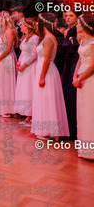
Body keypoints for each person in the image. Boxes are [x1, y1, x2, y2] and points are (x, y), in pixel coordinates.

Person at [32, 13, 69, 140]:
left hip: (47, 71)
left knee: (48, 100)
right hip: (42, 69)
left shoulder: (48, 38)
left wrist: (42, 77)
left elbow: (47, 59)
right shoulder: (46, 37)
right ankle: (48, 130)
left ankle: (51, 131)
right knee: (44, 100)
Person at [74, 14, 94, 159]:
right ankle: (83, 148)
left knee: (90, 112)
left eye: (79, 24)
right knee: (81, 112)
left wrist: (80, 78)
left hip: (90, 79)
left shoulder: (93, 42)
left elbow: (92, 66)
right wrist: (75, 76)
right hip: (80, 79)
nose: (77, 26)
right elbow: (80, 60)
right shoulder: (82, 41)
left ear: (85, 25)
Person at [15, 18, 39, 126]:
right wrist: (19, 62)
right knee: (24, 89)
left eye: (22, 25)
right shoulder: (25, 38)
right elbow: (23, 52)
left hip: (30, 66)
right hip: (23, 65)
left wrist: (24, 65)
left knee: (30, 89)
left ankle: (32, 116)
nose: (20, 26)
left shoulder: (35, 38)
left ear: (28, 27)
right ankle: (28, 115)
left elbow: (34, 55)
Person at [0, 11, 18, 117]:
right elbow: (0, 46)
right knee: (2, 83)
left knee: (7, 83)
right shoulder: (2, 31)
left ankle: (9, 109)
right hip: (1, 58)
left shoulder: (10, 31)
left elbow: (8, 49)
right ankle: (2, 108)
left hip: (7, 58)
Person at [61, 10, 79, 139]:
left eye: (71, 16)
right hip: (67, 66)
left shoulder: (79, 31)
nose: (68, 18)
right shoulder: (67, 32)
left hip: (75, 65)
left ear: (78, 17)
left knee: (73, 96)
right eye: (66, 16)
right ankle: (67, 128)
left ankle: (74, 131)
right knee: (67, 95)